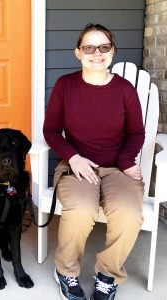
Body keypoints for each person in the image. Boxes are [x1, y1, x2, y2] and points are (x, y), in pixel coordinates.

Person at [43, 23, 145, 300]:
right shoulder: (65, 85)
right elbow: (50, 130)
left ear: (112, 52)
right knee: (80, 210)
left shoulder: (124, 89)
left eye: (104, 47)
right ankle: (66, 272)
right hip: (76, 166)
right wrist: (73, 158)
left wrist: (125, 160)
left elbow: (137, 132)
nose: (96, 53)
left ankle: (107, 275)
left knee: (128, 214)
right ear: (78, 53)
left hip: (117, 168)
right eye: (89, 47)